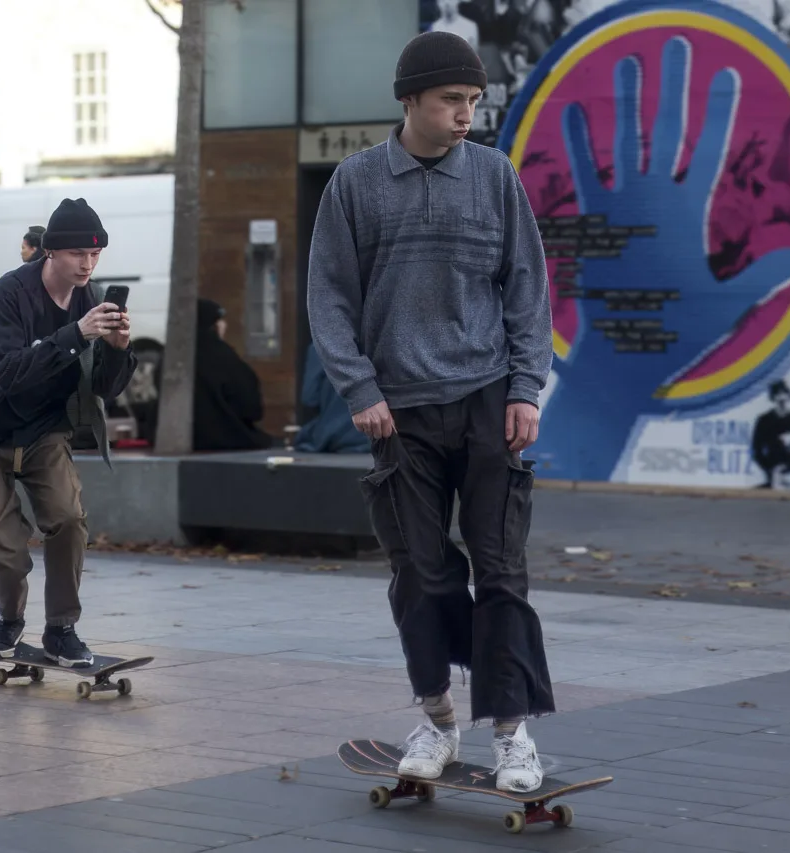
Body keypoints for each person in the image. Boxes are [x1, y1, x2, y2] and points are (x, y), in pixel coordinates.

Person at [306, 30, 555, 793]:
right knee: (420, 573)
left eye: (474, 101)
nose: (466, 115)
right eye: (452, 100)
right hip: (398, 413)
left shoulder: (494, 177)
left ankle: (512, 733)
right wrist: (360, 389)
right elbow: (330, 298)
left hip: (486, 402)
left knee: (502, 571)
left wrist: (524, 387)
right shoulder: (354, 184)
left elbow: (526, 289)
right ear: (409, 99)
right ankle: (439, 717)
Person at [0, 198, 136, 668]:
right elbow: (9, 373)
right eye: (76, 254)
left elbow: (106, 388)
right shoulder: (13, 291)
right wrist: (75, 335)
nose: (87, 264)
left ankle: (61, 629)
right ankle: (8, 621)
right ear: (51, 253)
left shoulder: (90, 300)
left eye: (95, 254)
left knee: (68, 520)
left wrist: (117, 348)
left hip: (45, 432)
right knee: (8, 551)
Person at [192, 297, 273, 452]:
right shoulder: (226, 359)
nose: (224, 325)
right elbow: (252, 408)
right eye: (219, 321)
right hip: (230, 439)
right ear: (213, 325)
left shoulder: (173, 359)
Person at [293, 342, 370, 454]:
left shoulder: (319, 346)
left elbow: (309, 398)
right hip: (374, 437)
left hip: (332, 435)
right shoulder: (382, 344)